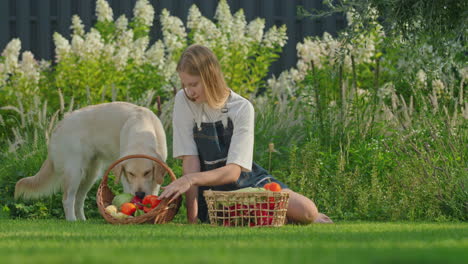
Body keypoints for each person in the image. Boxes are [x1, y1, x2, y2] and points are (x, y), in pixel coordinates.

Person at [158, 44, 332, 224]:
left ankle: (283, 216)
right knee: (241, 219)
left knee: (307, 211)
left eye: (194, 84)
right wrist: (192, 220)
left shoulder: (241, 108)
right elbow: (190, 160)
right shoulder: (184, 100)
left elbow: (233, 172)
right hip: (211, 193)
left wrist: (190, 179)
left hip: (248, 184)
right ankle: (276, 217)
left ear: (210, 77)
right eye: (185, 85)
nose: (189, 91)